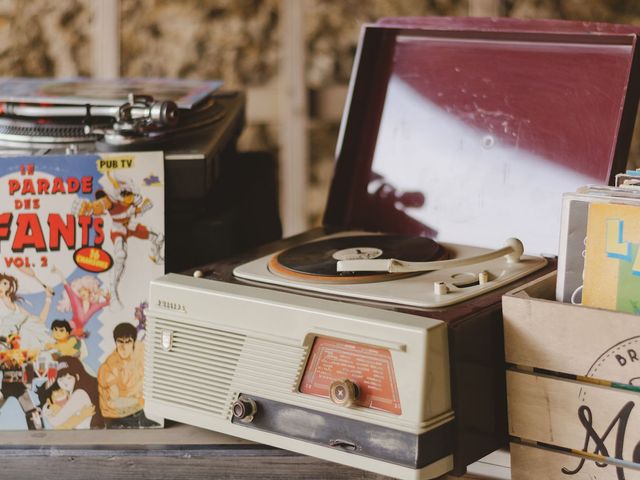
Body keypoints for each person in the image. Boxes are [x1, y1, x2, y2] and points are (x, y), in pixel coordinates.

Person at [75, 171, 163, 307]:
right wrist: (88, 209)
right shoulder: (110, 200)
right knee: (120, 256)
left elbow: (136, 210)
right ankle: (113, 291)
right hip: (118, 230)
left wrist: (144, 207)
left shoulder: (132, 198)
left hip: (130, 226)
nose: (127, 195)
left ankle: (156, 257)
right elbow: (100, 205)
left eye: (129, 193)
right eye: (124, 193)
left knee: (158, 236)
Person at [0, 272, 53, 430]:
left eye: (4, 284)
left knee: (31, 410)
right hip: (4, 355)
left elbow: (39, 321)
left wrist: (48, 299)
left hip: (15, 362)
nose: (1, 287)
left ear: (10, 287)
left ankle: (40, 439)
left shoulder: (17, 308)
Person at [98, 322, 156, 428]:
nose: (124, 347)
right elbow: (114, 402)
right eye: (120, 342)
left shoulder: (142, 350)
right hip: (117, 416)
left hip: (142, 410)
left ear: (133, 342)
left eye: (128, 342)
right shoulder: (107, 368)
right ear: (115, 342)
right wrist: (140, 400)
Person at [40, 356, 103, 429]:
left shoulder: (80, 393)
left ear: (77, 376)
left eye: (68, 378)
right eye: (60, 379)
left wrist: (46, 411)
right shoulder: (76, 391)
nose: (64, 382)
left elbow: (55, 421)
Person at [52, 266, 110, 338]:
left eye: (83, 289)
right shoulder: (76, 301)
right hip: (70, 327)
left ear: (89, 290)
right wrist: (58, 272)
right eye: (79, 291)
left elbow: (108, 302)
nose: (81, 293)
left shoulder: (94, 306)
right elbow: (67, 286)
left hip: (79, 333)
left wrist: (102, 294)